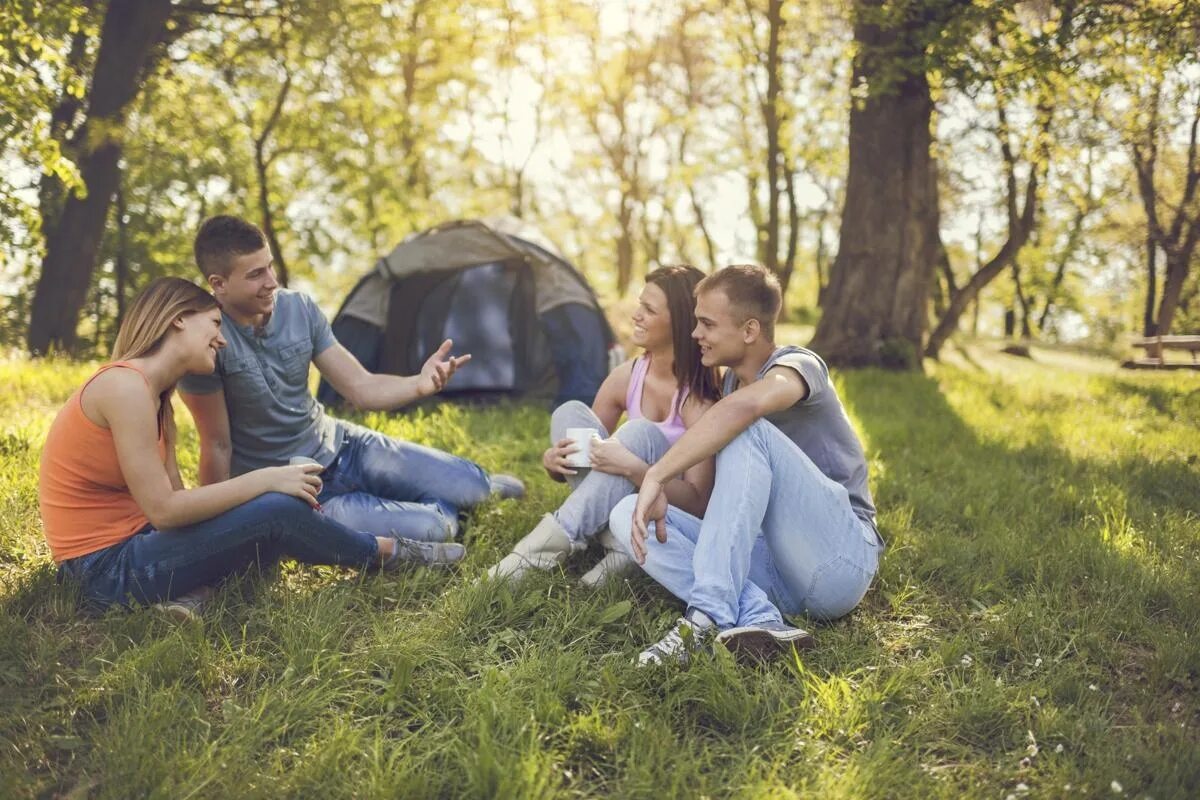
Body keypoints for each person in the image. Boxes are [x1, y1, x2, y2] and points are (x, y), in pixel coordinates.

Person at [40, 278, 462, 615]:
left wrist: (248, 509)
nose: (222, 340)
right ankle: (387, 553)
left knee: (261, 528)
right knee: (276, 511)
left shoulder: (157, 401)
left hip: (137, 545)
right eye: (215, 324)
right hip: (99, 571)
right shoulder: (124, 388)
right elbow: (166, 511)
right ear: (179, 320)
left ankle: (194, 594)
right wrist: (266, 483)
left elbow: (178, 510)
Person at [178, 216, 524, 551]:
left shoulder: (299, 308)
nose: (272, 281)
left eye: (269, 266)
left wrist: (419, 384)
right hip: (300, 490)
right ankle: (434, 505)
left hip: (346, 446)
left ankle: (472, 489)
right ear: (218, 283)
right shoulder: (206, 341)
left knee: (475, 486)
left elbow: (361, 386)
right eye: (256, 274)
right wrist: (219, 530)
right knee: (435, 528)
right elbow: (217, 445)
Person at [610, 264, 885, 666]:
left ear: (750, 330)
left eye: (706, 323)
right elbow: (724, 504)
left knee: (743, 425)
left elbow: (750, 406)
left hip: (840, 559)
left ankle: (704, 618)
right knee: (625, 513)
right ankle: (760, 617)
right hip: (773, 571)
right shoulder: (728, 388)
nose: (694, 334)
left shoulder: (799, 365)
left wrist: (657, 473)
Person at [486, 265, 721, 586]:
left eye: (649, 310)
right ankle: (614, 543)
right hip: (620, 504)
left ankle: (534, 554)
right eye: (640, 304)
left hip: (665, 517)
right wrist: (554, 463)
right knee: (569, 413)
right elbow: (593, 463)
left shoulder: (698, 401)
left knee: (640, 433)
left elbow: (697, 502)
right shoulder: (628, 376)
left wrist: (635, 469)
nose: (636, 315)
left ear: (679, 322)